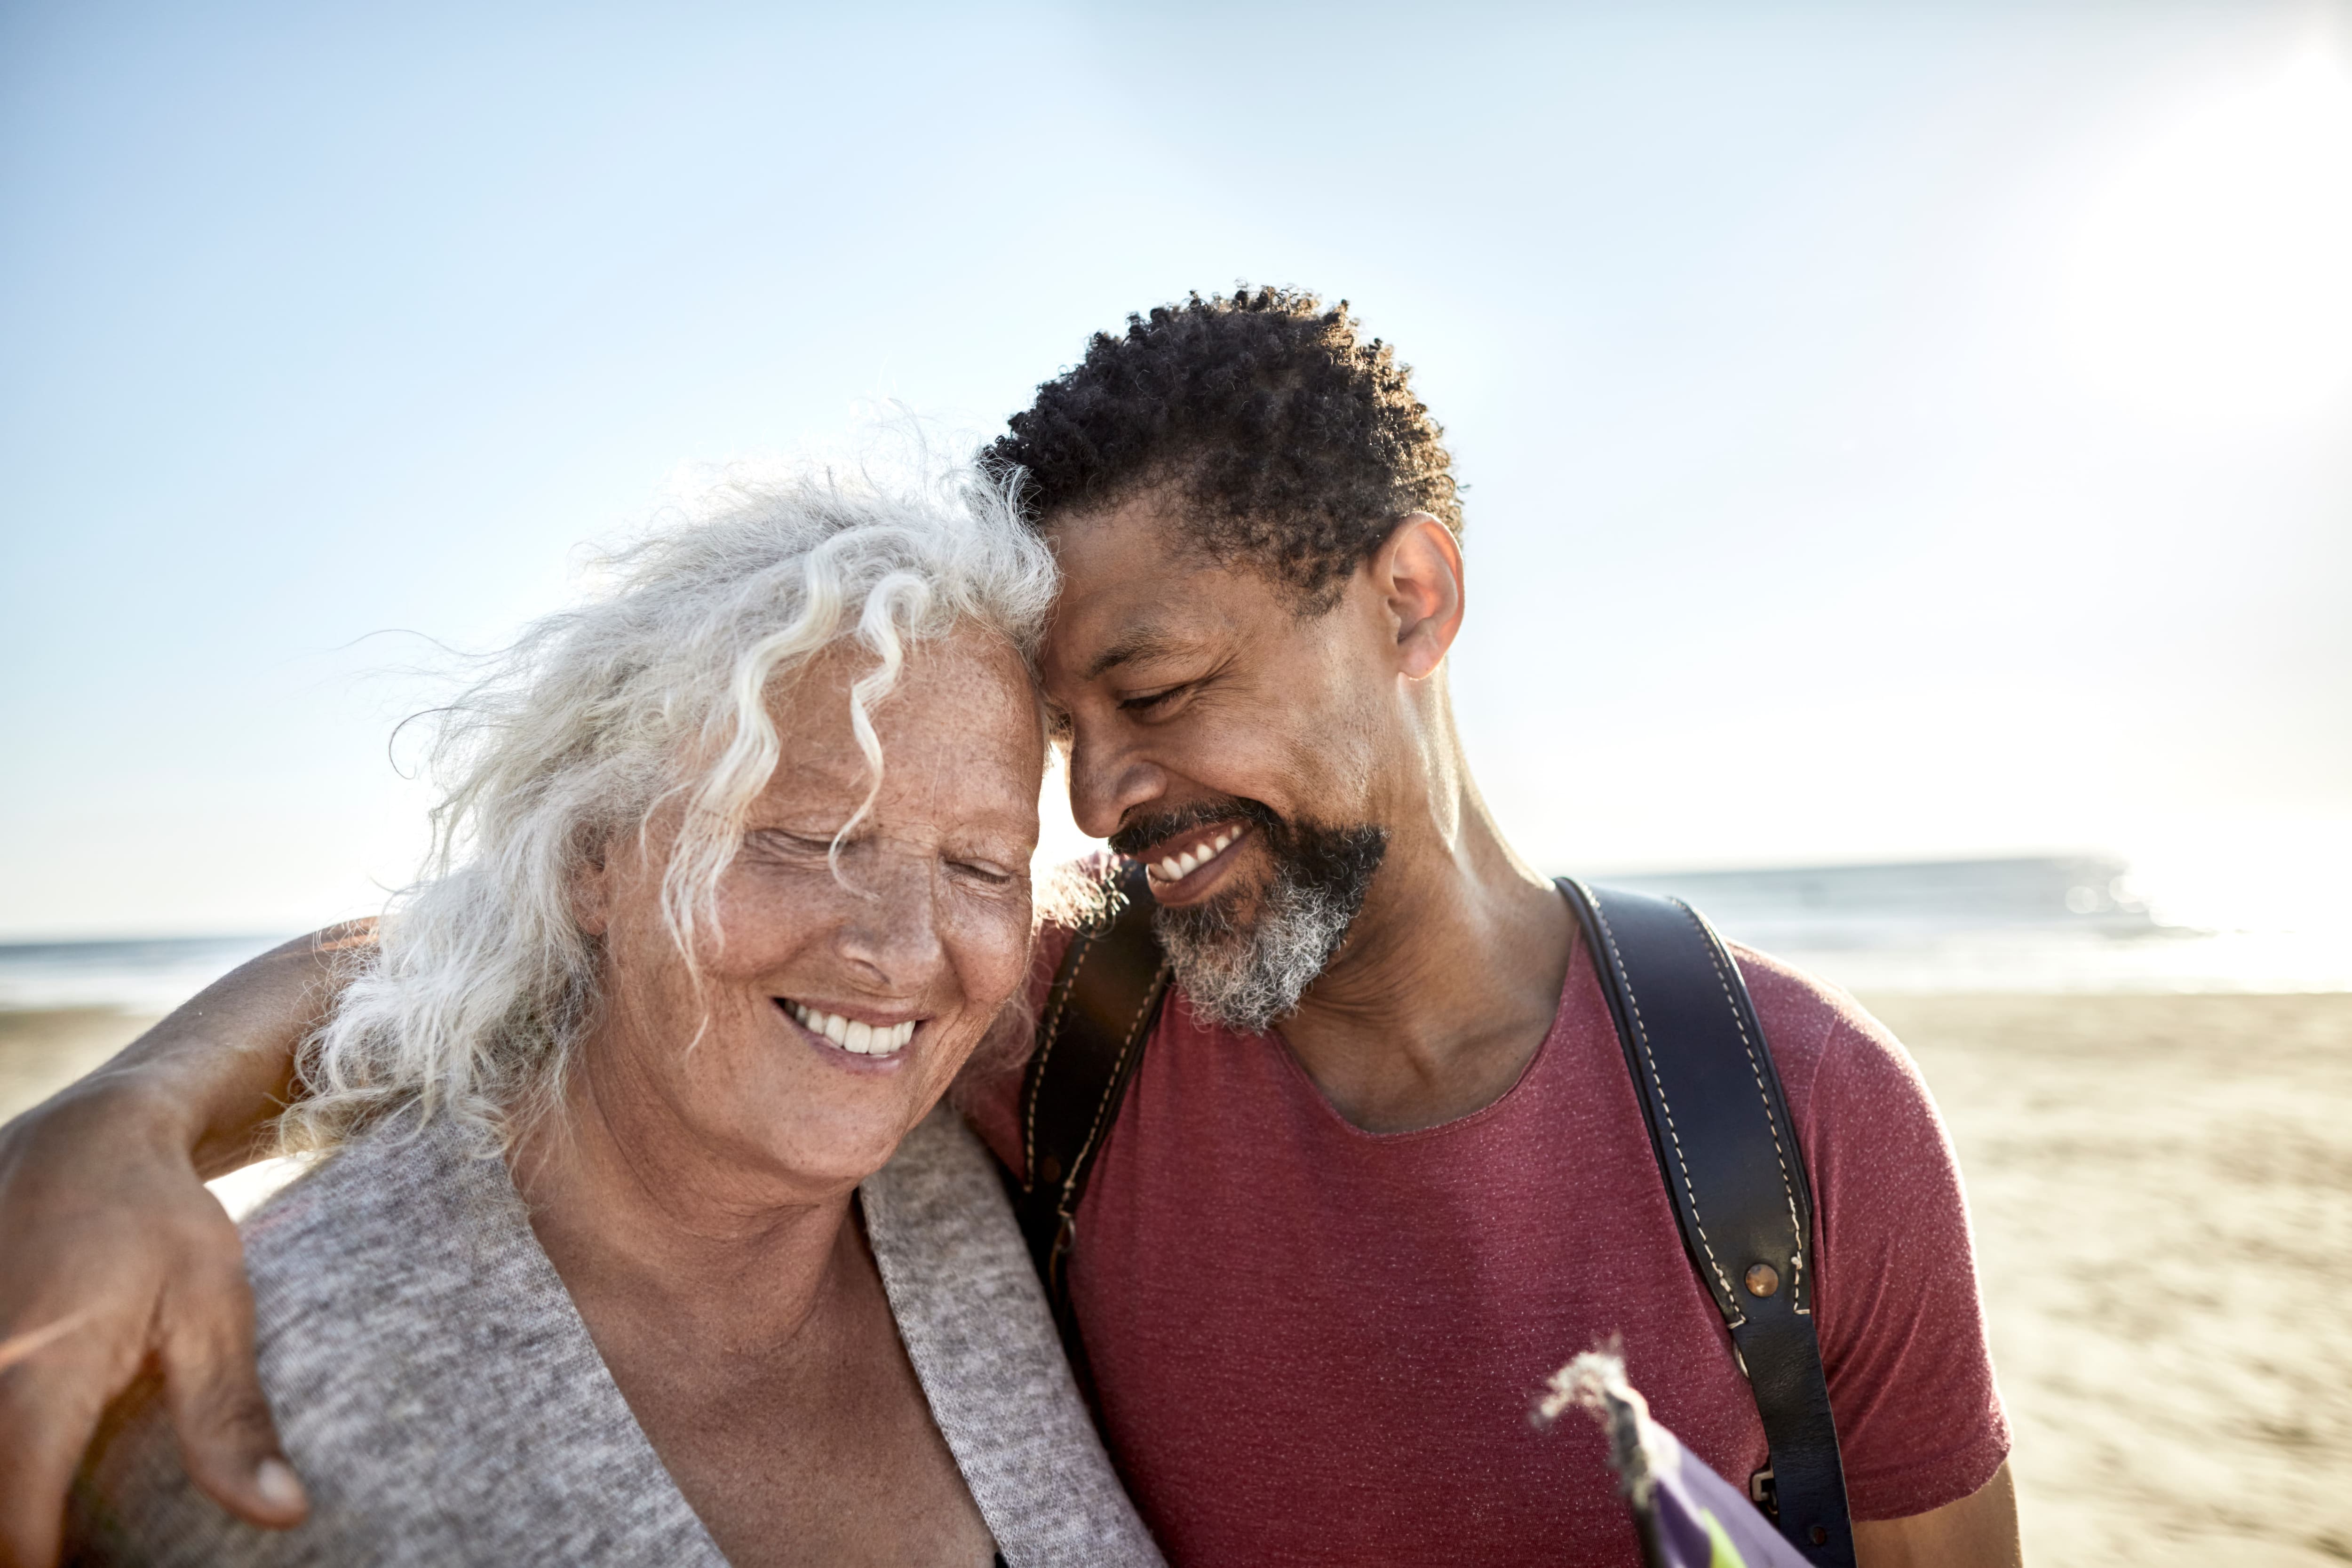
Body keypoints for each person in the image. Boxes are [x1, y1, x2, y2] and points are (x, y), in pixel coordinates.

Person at [0, 289, 2020, 1567]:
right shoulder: (1059, 1028)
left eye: (1157, 694)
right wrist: (132, 1110)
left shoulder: (1793, 1116)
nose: (1102, 804)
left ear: (1410, 598)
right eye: (1065, 737)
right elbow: (591, 934)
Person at [38, 472, 1162, 1567]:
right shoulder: (269, 1395)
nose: (910, 951)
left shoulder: (961, 1171)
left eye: (978, 864)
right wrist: (130, 1106)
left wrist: (146, 1096)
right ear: (591, 857)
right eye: (809, 836)